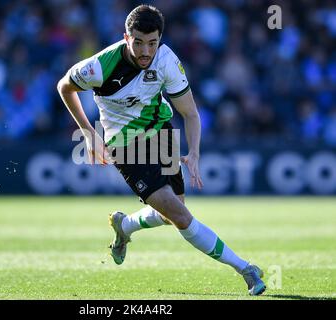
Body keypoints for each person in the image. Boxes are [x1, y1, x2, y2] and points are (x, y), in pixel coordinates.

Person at [57, 4, 266, 296]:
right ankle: (245, 269)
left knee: (173, 214)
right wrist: (88, 133)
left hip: (163, 134)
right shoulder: (99, 66)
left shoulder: (166, 61)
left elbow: (191, 114)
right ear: (126, 37)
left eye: (152, 43)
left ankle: (125, 226)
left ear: (160, 40)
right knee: (182, 217)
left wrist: (194, 153)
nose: (146, 51)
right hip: (126, 146)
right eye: (139, 42)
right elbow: (64, 87)